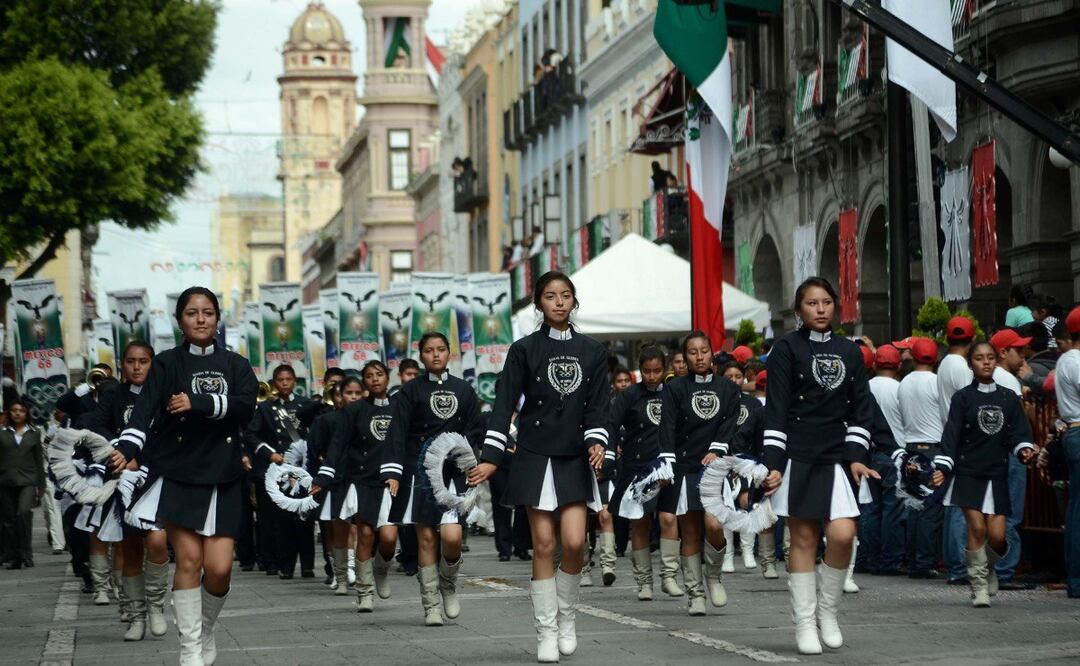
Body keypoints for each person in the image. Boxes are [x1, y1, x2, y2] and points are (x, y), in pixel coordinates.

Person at [111, 286, 257, 665]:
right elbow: (144, 412)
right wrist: (125, 449)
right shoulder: (166, 363)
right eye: (192, 313)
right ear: (180, 321)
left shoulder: (237, 365)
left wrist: (199, 402)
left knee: (220, 569)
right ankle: (190, 649)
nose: (201, 319)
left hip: (224, 475)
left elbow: (245, 408)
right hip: (177, 471)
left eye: (207, 312)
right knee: (189, 560)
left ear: (217, 317)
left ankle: (205, 630)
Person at [468, 271, 609, 663]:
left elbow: (598, 405)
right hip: (534, 454)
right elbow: (504, 405)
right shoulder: (523, 349)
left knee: (576, 543)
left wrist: (598, 440)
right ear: (539, 303)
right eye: (550, 296)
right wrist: (492, 458)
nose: (559, 302)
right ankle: (546, 630)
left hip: (574, 455)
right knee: (544, 545)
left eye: (566, 295)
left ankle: (567, 617)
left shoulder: (593, 351)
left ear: (574, 301)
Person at [761, 277, 878, 655]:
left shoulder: (850, 351)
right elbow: (776, 411)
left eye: (827, 302)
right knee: (805, 539)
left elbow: (862, 408)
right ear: (798, 310)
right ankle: (804, 622)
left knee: (843, 535)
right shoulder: (785, 350)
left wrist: (857, 457)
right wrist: (773, 464)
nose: (821, 309)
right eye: (812, 303)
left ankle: (828, 612)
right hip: (798, 453)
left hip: (838, 455)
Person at [382, 332, 484, 627]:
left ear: (449, 353)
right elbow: (398, 432)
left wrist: (471, 457)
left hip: (453, 472)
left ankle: (448, 585)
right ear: (422, 355)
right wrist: (393, 473)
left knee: (452, 538)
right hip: (420, 471)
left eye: (441, 349)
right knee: (426, 537)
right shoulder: (410, 391)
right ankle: (430, 604)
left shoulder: (463, 389)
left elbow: (476, 428)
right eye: (429, 350)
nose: (435, 354)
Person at [932, 340, 1037, 606]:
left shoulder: (1008, 397)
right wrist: (944, 468)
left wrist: (1024, 449)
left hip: (997, 471)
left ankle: (987, 568)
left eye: (990, 357)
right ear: (971, 365)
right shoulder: (963, 397)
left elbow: (1018, 433)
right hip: (968, 470)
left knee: (999, 538)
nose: (986, 362)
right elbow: (952, 435)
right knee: (977, 528)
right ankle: (978, 584)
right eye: (979, 358)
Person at [88, 341, 171, 641]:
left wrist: (144, 459)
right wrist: (120, 453)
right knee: (131, 548)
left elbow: (170, 435)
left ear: (153, 364)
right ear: (122, 364)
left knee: (158, 541)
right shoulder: (113, 396)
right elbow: (97, 429)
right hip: (121, 477)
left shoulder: (163, 397)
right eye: (131, 361)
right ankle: (135, 617)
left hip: (156, 478)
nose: (137, 367)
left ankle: (157, 606)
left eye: (144, 361)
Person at [655, 331, 740, 616]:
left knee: (714, 525)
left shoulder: (727, 388)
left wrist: (717, 450)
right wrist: (667, 464)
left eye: (704, 350)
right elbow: (666, 426)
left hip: (714, 468)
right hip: (684, 467)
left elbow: (730, 423)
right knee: (689, 531)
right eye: (693, 352)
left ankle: (713, 575)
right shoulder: (675, 388)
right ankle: (695, 593)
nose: (699, 356)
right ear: (684, 357)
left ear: (712, 352)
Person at [315, 367, 399, 612]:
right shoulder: (354, 411)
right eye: (369, 376)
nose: (375, 379)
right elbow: (338, 444)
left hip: (388, 480)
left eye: (379, 375)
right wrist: (323, 476)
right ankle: (364, 592)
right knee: (364, 534)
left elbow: (403, 442)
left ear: (387, 378)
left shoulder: (398, 408)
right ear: (365, 382)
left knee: (388, 539)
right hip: (360, 480)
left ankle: (381, 570)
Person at [606, 346, 686, 599]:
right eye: (647, 371)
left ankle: (669, 576)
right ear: (639, 370)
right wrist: (609, 452)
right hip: (636, 467)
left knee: (669, 519)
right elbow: (611, 423)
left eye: (657, 371)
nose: (652, 376)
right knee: (639, 522)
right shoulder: (629, 395)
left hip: (667, 466)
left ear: (666, 369)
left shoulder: (674, 393)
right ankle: (644, 582)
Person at [244, 364, 311, 579]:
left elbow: (314, 432)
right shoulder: (265, 408)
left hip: (301, 468)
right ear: (274, 383)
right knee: (279, 520)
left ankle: (308, 565)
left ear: (294, 382)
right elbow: (251, 435)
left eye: (288, 379)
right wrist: (270, 453)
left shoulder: (305, 405)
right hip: (277, 467)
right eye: (280, 380)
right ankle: (285, 565)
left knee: (304, 517)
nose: (284, 383)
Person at [988, 328, 1035, 590]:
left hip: (993, 453)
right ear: (1004, 353)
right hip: (1012, 451)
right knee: (1012, 514)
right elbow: (1020, 420)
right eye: (1019, 350)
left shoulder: (992, 376)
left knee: (995, 513)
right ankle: (1005, 571)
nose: (1024, 354)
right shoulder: (1008, 379)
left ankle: (996, 569)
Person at [897, 337, 946, 580]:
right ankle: (924, 562)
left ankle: (913, 559)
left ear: (914, 358)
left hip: (911, 449)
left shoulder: (904, 382)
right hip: (933, 449)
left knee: (914, 507)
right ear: (935, 359)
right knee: (931, 510)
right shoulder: (938, 382)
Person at [861, 344, 906, 577]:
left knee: (870, 508)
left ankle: (867, 557)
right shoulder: (901, 388)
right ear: (898, 365)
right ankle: (889, 560)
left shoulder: (864, 387)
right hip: (895, 453)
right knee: (893, 510)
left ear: (876, 365)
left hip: (869, 453)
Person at [937, 317, 976, 585]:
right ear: (972, 340)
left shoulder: (944, 364)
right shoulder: (961, 366)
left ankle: (955, 564)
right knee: (962, 504)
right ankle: (959, 565)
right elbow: (969, 401)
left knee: (954, 502)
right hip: (965, 437)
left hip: (951, 434)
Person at [720, 361, 762, 571]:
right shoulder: (717, 401)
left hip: (748, 460)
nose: (735, 380)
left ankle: (747, 550)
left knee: (747, 503)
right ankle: (727, 555)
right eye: (729, 376)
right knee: (726, 507)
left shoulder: (753, 403)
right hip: (723, 460)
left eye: (738, 376)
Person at [0, 398, 44, 570]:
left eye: (21, 410)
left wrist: (41, 485)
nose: (17, 413)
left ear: (26, 414)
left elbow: (39, 460)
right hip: (5, 480)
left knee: (24, 513)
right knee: (8, 520)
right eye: (14, 410)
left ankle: (26, 553)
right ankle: (13, 556)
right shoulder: (2, 432)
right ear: (9, 413)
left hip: (27, 480)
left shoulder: (34, 432)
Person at [1057, 305, 1080, 599]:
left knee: (1075, 510)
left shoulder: (1066, 360)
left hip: (1072, 432)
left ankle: (1075, 579)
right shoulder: (1075, 360)